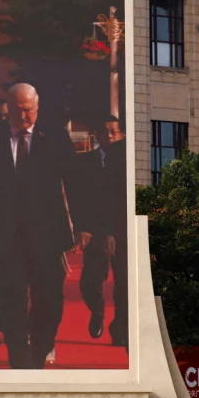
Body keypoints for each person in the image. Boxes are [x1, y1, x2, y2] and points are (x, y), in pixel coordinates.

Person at [0, 83, 77, 369]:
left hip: (47, 235)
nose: (24, 116)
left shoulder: (54, 136)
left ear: (37, 107)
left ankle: (41, 346)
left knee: (50, 300)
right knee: (11, 301)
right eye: (18, 109)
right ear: (7, 107)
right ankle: (20, 358)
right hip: (5, 235)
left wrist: (83, 225)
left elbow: (74, 181)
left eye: (29, 110)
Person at [72, 116, 128, 348]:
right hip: (93, 230)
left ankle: (120, 329)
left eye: (114, 132)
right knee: (89, 281)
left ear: (122, 134)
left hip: (120, 231)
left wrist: (113, 232)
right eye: (105, 132)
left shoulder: (126, 161)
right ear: (97, 135)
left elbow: (121, 200)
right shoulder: (85, 162)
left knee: (124, 285)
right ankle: (97, 311)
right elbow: (78, 198)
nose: (110, 137)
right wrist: (82, 227)